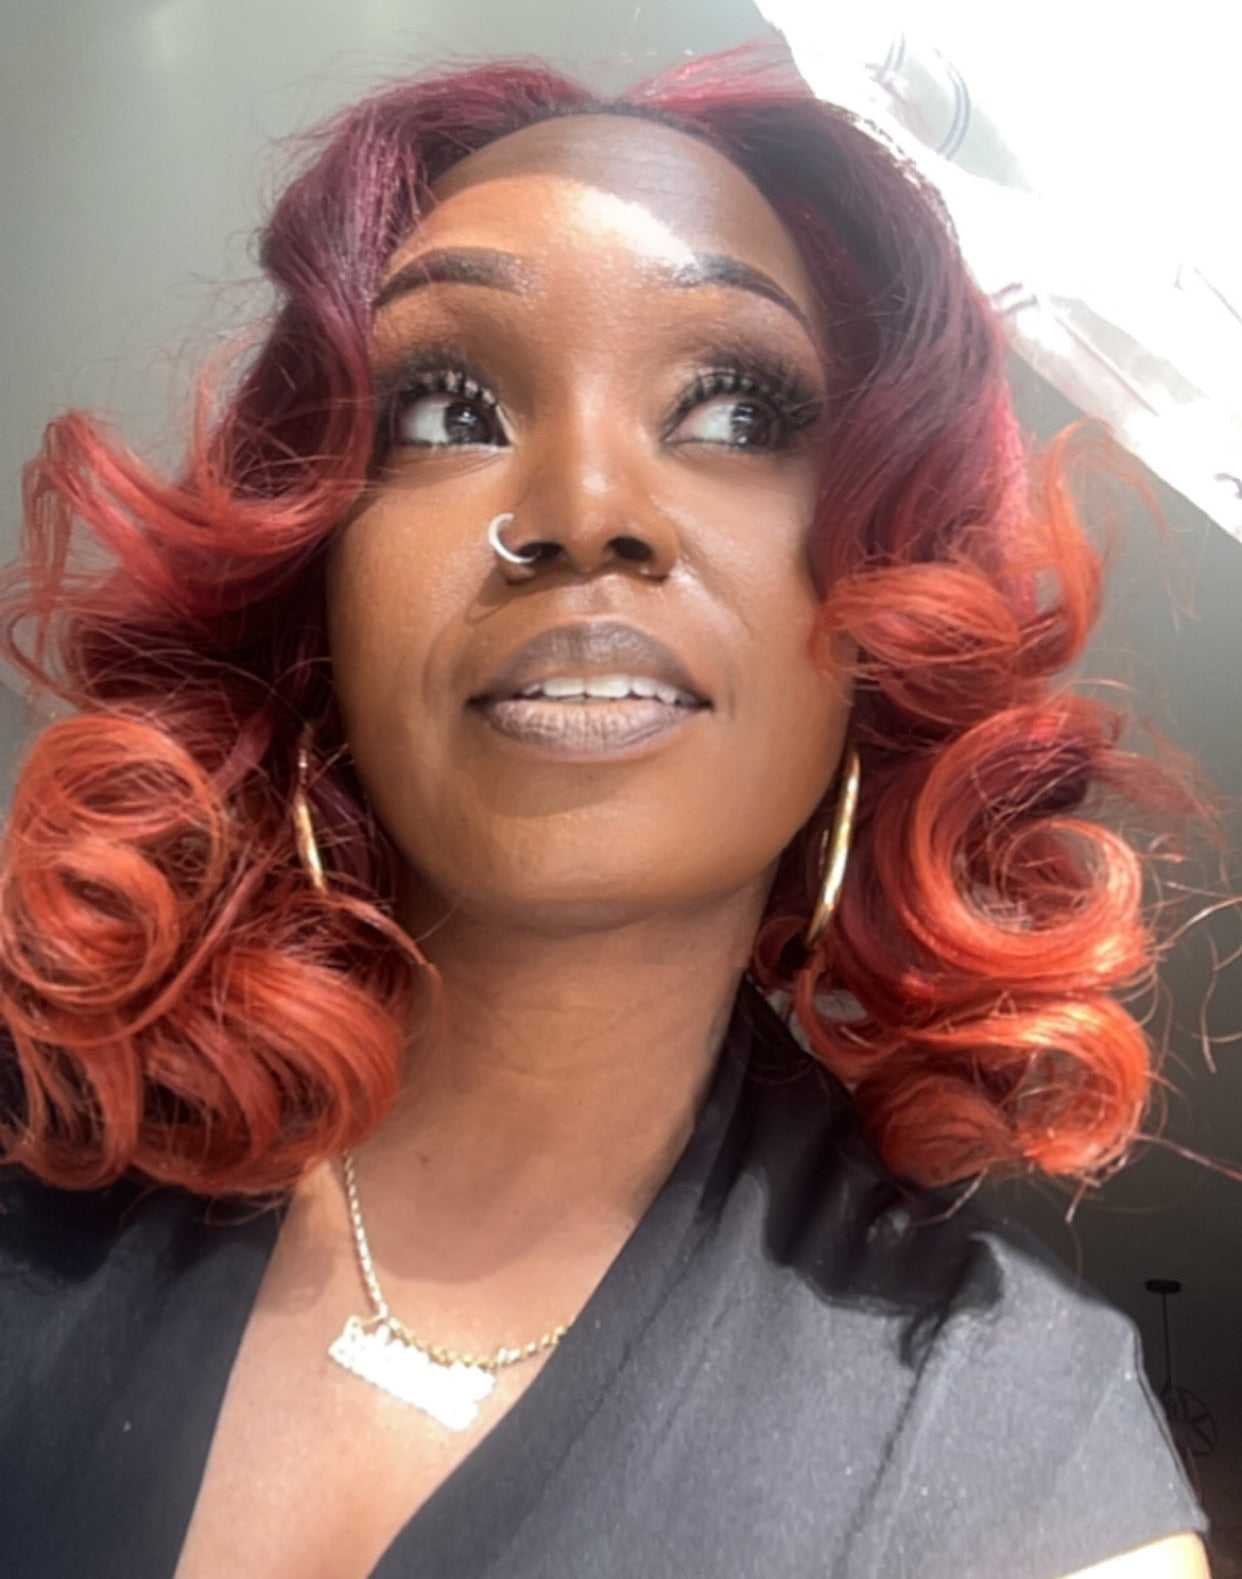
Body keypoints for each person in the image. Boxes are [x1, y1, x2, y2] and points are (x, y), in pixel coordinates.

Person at [0, 43, 1214, 1579]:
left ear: (881, 617)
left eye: (737, 411)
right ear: (319, 587)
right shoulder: (36, 1136)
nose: (585, 513)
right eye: (445, 408)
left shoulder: (1012, 1491)